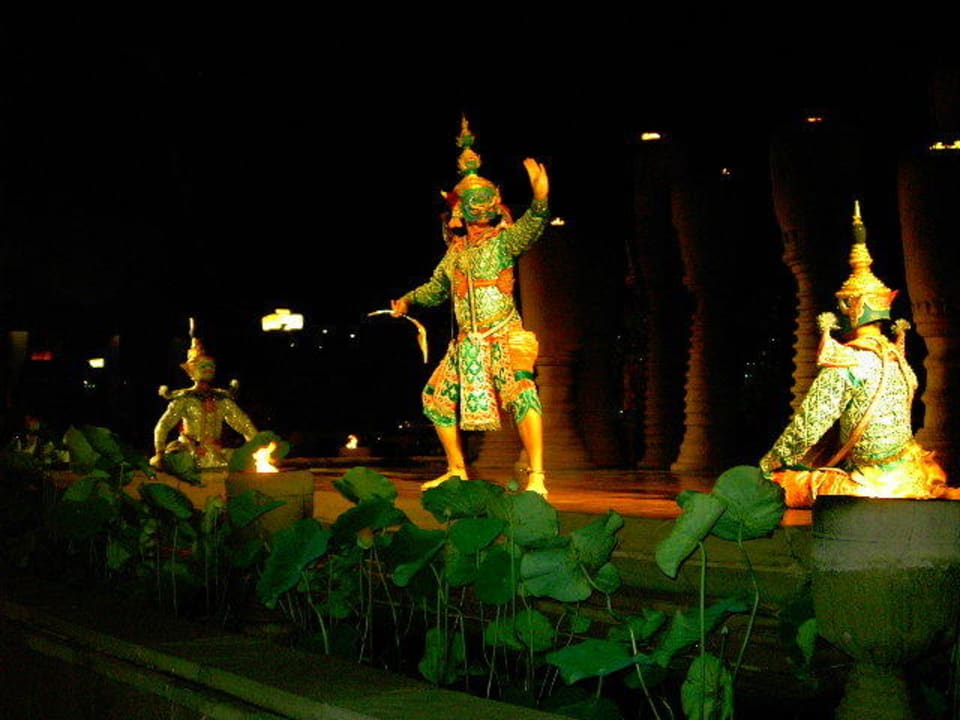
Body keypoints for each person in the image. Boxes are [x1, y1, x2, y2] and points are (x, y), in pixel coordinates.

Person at [391, 118, 550, 494]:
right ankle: (457, 469)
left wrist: (540, 200)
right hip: (467, 343)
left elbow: (531, 226)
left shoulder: (503, 242)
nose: (478, 209)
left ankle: (538, 476)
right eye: (471, 203)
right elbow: (435, 288)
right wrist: (409, 300)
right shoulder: (456, 253)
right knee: (436, 398)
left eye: (484, 201)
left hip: (503, 333)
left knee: (522, 393)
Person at [759, 204, 957, 506]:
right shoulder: (896, 358)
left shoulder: (848, 362)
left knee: (782, 485)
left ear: (848, 310)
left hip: (869, 482)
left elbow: (808, 426)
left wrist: (768, 466)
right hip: (911, 473)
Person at [150, 323, 258, 470]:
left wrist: (258, 449)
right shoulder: (184, 398)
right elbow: (163, 426)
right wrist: (159, 452)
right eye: (203, 366)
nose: (208, 369)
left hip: (216, 453)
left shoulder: (221, 399)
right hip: (189, 452)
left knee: (241, 460)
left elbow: (244, 424)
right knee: (180, 462)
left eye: (211, 366)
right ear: (191, 371)